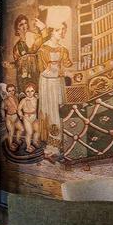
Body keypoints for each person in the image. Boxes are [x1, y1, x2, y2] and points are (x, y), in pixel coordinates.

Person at [38, 23, 73, 152]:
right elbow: (43, 70)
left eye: (64, 30)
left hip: (58, 81)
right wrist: (63, 72)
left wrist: (69, 71)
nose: (62, 33)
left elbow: (67, 64)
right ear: (52, 31)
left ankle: (61, 142)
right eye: (60, 30)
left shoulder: (63, 49)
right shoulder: (43, 49)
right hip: (48, 82)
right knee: (51, 111)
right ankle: (53, 144)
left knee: (60, 108)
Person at [11, 14, 45, 95]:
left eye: (25, 23)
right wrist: (9, 64)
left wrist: (24, 39)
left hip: (35, 70)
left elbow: (33, 49)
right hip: (22, 75)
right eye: (21, 24)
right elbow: (17, 63)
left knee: (36, 93)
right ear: (17, 28)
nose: (24, 26)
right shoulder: (16, 46)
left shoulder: (35, 37)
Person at [18, 83, 40, 153]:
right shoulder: (23, 100)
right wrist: (21, 115)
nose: (30, 93)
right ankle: (28, 146)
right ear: (25, 92)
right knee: (29, 132)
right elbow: (18, 109)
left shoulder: (36, 99)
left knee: (37, 130)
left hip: (34, 117)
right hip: (26, 118)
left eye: (32, 91)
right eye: (28, 91)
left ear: (34, 91)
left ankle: (34, 141)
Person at [0, 84, 22, 150]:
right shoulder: (5, 100)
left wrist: (20, 115)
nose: (11, 92)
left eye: (13, 90)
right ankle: (10, 145)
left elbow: (17, 108)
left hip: (16, 117)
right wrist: (3, 117)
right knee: (11, 132)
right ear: (7, 91)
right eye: (9, 91)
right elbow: (2, 108)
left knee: (21, 129)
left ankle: (17, 140)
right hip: (9, 118)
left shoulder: (15, 98)